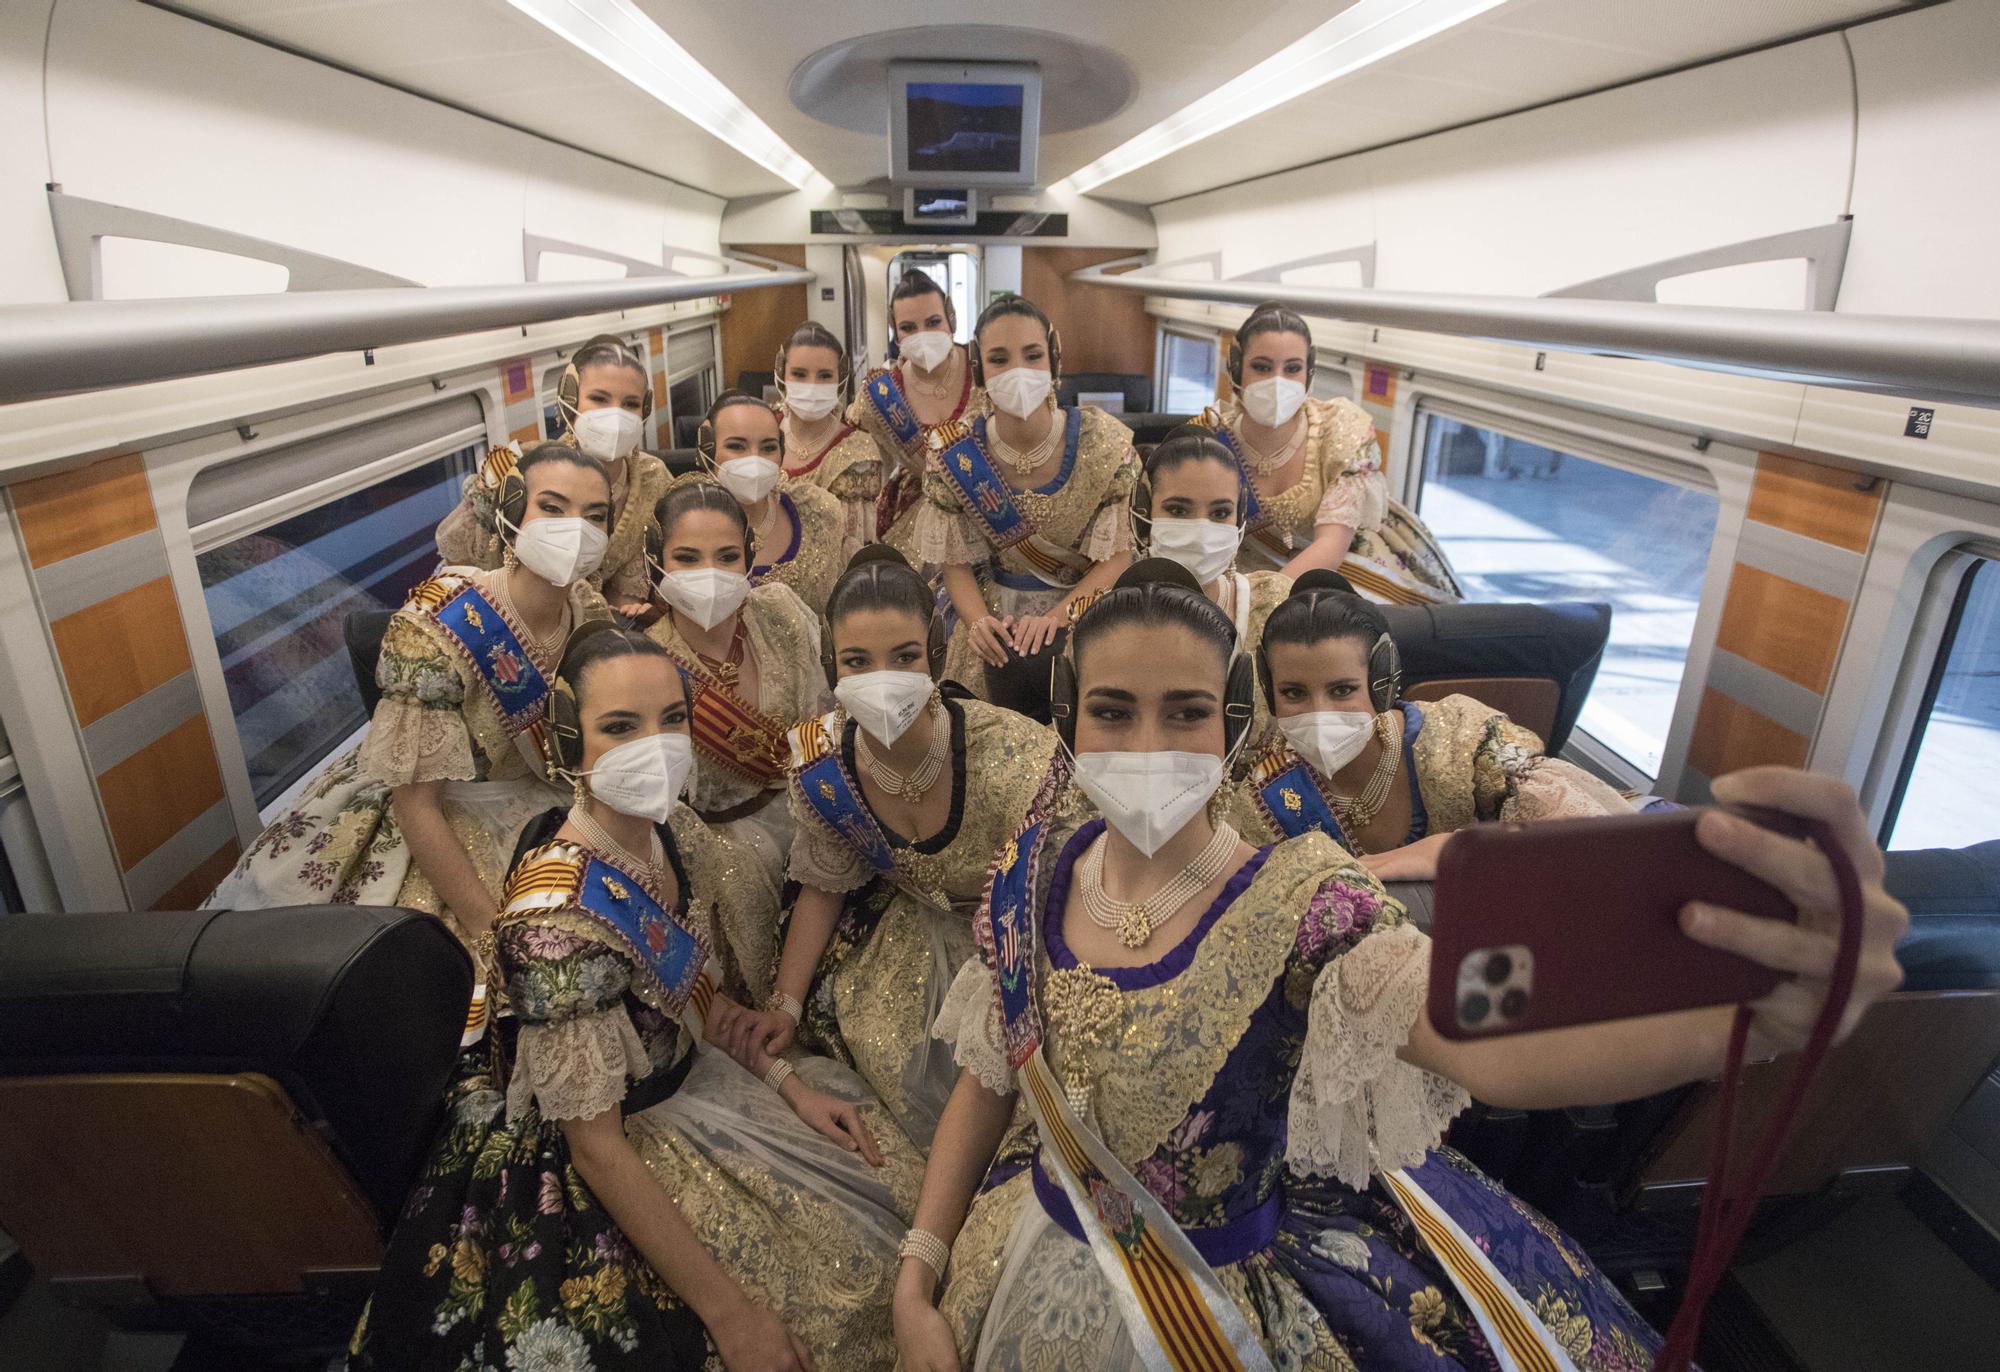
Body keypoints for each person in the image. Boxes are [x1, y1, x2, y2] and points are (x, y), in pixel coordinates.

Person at [891, 560, 1908, 1372]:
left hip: (1235, 1291)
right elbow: (987, 1086)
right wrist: (915, 1274)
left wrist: (1737, 1019)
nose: (1147, 741)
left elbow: (1488, 1044)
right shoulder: (1032, 871)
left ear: (1233, 725)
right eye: (1112, 711)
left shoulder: (1304, 896)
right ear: (1067, 720)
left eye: (1185, 712)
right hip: (1024, 1244)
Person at [347, 625, 923, 1372]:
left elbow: (696, 995)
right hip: (608, 1147)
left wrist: (788, 1086)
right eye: (620, 727)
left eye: (672, 721)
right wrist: (731, 1316)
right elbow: (596, 1145)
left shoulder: (671, 831)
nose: (654, 746)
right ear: (570, 741)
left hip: (697, 1084)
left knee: (897, 1198)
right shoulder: (551, 923)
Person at [709, 546, 1059, 1150]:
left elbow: (1057, 886)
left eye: (904, 657)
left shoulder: (1013, 756)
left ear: (937, 654)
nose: (881, 679)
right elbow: (825, 881)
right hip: (898, 946)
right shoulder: (822, 762)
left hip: (1016, 944)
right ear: (831, 666)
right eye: (856, 661)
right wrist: (786, 1007)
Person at [205, 443, 614, 957]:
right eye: (552, 508)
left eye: (594, 517)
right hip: (439, 815)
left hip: (547, 800)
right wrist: (492, 933)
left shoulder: (590, 611)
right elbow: (416, 806)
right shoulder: (438, 622)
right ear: (512, 513)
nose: (575, 529)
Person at [1229, 571, 1632, 879]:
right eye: (1295, 693)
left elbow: (1584, 835)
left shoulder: (1458, 736)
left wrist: (1460, 850)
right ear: (1269, 688)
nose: (1319, 713)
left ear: (1382, 682)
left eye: (1342, 690)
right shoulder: (1260, 802)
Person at [912, 295, 1138, 719]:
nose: (1018, 371)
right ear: (980, 371)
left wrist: (1059, 617)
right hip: (990, 620)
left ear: (1053, 359)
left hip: (1083, 611)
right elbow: (954, 563)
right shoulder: (954, 453)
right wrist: (979, 623)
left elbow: (1119, 556)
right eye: (1000, 359)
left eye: (1032, 355)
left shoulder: (1105, 443)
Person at [643, 479, 825, 931]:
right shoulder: (645, 664)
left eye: (727, 557)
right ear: (655, 561)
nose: (710, 572)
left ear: (748, 557)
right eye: (686, 558)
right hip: (713, 868)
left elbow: (823, 725)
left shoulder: (781, 614)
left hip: (816, 829)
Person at [1205, 304, 1460, 605]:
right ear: (1236, 368)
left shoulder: (1342, 430)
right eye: (1261, 367)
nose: (1278, 381)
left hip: (1335, 572)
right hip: (1240, 576)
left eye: (1292, 368)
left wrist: (1260, 605)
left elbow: (1331, 544)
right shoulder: (1209, 437)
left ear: (1308, 372)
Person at [438, 335, 671, 616]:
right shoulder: (518, 469)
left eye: (630, 404)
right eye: (599, 399)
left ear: (644, 411)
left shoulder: (653, 480)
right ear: (569, 400)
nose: (616, 415)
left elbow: (625, 595)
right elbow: (461, 562)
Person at [1131, 426, 1292, 761]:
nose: (1202, 531)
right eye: (1178, 510)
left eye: (1219, 513)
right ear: (1144, 516)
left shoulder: (1274, 606)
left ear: (1239, 519)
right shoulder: (1111, 619)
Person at [849, 271, 985, 557]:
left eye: (933, 322)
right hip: (913, 524)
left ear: (951, 319)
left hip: (988, 508)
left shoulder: (984, 371)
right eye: (908, 328)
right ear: (896, 334)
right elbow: (867, 470)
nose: (922, 335)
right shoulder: (880, 393)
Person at [700, 390, 844, 615]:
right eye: (737, 446)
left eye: (768, 448)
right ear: (707, 448)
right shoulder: (682, 524)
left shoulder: (818, 511)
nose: (754, 459)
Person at [777, 320, 880, 562]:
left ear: (840, 379)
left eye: (824, 376)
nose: (812, 386)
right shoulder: (763, 429)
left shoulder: (857, 451)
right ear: (782, 374)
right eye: (799, 375)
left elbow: (851, 548)